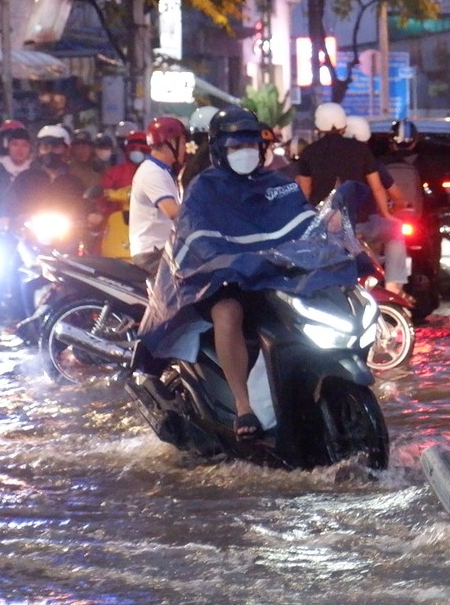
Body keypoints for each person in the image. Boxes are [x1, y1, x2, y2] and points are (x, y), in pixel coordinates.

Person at [167, 108, 302, 441]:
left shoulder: (280, 184)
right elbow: (193, 232)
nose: (245, 152)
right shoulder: (203, 188)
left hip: (272, 276)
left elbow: (303, 221)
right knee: (227, 313)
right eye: (235, 146)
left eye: (250, 145)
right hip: (224, 278)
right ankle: (244, 406)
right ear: (219, 150)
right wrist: (222, 259)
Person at [296, 102, 405, 295]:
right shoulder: (360, 150)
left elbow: (304, 193)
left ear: (318, 126)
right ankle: (393, 286)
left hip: (322, 229)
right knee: (396, 230)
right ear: (343, 125)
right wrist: (387, 215)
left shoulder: (309, 152)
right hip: (360, 225)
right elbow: (377, 187)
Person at [7, 123, 95, 232]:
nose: (50, 151)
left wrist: (91, 215)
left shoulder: (74, 182)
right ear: (38, 150)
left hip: (65, 239)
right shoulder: (25, 178)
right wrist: (9, 219)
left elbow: (84, 207)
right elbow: (11, 204)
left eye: (55, 147)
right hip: (31, 236)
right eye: (45, 147)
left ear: (65, 150)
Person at [129, 117, 187, 273]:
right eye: (182, 142)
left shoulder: (162, 171)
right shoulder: (152, 173)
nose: (185, 148)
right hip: (153, 254)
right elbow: (173, 212)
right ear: (169, 143)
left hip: (161, 250)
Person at [96, 130, 149, 259]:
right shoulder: (115, 172)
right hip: (117, 221)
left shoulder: (156, 173)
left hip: (148, 222)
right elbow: (102, 194)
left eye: (141, 147)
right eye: (133, 148)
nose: (137, 151)